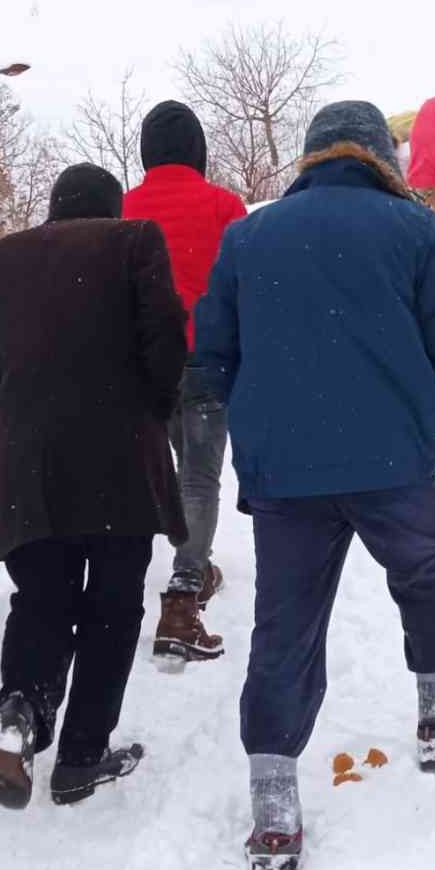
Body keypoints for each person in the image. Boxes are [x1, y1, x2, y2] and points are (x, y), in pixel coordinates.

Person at [189, 100, 435, 870]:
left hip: (287, 479)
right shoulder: (409, 231)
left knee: (284, 629)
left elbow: (210, 362)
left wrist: (258, 427)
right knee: (423, 579)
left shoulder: (246, 237)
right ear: (382, 158)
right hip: (392, 466)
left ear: (309, 158)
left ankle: (273, 811)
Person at [0, 162, 187, 810]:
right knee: (114, 609)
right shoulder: (134, 240)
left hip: (29, 467)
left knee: (42, 599)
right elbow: (165, 341)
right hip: (119, 459)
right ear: (111, 208)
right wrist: (149, 413)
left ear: (54, 207)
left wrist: (14, 434)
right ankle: (82, 757)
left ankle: (19, 712)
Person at [122, 100, 247, 662]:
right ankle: (184, 592)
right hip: (206, 358)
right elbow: (247, 284)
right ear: (198, 149)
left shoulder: (122, 208)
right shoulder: (223, 205)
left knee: (180, 474)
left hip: (146, 365)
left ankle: (195, 566)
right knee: (198, 477)